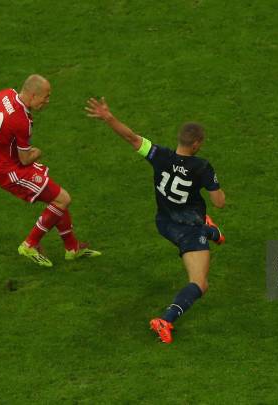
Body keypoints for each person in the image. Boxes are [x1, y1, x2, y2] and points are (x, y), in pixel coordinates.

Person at [85, 97, 226, 344]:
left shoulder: (160, 155)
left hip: (164, 222)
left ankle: (211, 231)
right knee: (200, 284)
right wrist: (213, 182)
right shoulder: (202, 167)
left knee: (204, 230)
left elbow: (131, 137)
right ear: (196, 144)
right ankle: (166, 320)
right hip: (189, 230)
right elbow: (219, 202)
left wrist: (108, 117)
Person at [0, 74, 100, 267]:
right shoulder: (22, 121)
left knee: (57, 197)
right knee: (63, 199)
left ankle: (72, 248)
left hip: (3, 163)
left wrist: (2, 133)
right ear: (32, 95)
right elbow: (25, 158)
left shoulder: (4, 94)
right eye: (45, 97)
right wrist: (38, 152)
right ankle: (30, 244)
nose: (47, 101)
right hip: (11, 171)